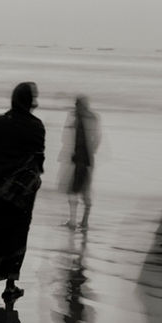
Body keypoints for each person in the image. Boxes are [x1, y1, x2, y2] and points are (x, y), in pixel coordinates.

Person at [0, 82, 45, 302]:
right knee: (16, 236)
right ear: (30, 100)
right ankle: (10, 286)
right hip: (22, 195)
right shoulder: (37, 126)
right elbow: (38, 162)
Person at [63, 95, 101, 228]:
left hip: (82, 160)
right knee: (84, 190)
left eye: (77, 104)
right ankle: (83, 221)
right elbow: (97, 139)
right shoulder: (91, 118)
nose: (75, 107)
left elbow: (81, 140)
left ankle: (75, 221)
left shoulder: (82, 119)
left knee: (74, 190)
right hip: (87, 160)